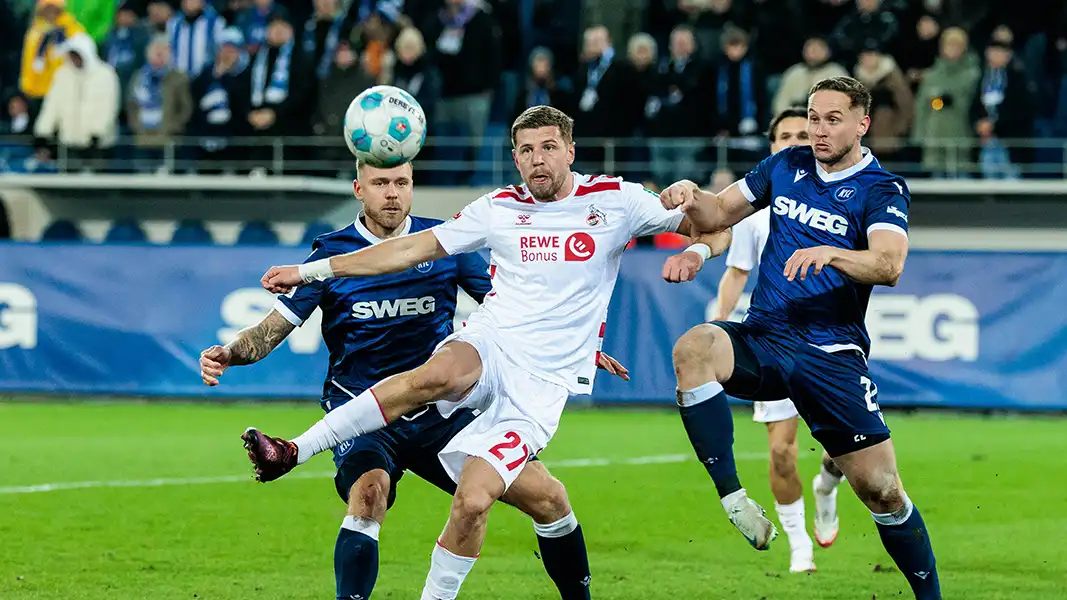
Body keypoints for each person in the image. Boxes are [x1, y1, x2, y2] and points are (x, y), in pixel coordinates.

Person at [246, 105, 730, 599]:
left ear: (570, 151)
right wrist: (311, 272)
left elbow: (718, 223)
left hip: (539, 384)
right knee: (437, 376)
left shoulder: (618, 201)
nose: (537, 159)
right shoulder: (497, 207)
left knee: (482, 502)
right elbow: (406, 250)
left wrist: (695, 235)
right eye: (525, 151)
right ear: (515, 160)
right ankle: (294, 450)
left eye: (548, 147)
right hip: (492, 343)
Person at [203, 159, 621, 600]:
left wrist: (574, 343)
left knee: (549, 498)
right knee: (368, 496)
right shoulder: (332, 254)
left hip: (444, 412)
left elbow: (517, 305)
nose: (392, 193)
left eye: (401, 182)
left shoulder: (443, 243)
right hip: (365, 415)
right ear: (358, 189)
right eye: (380, 183)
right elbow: (274, 329)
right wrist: (230, 353)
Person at [661, 76, 940, 599]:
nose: (819, 129)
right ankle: (735, 500)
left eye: (833, 119)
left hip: (831, 352)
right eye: (814, 118)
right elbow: (717, 214)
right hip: (766, 335)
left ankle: (930, 594)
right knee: (693, 348)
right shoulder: (784, 166)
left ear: (863, 124)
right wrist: (689, 195)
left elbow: (889, 264)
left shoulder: (883, 189)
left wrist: (831, 253)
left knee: (881, 491)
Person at [711, 107, 845, 572]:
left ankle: (827, 486)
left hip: (830, 338)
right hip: (773, 341)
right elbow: (736, 272)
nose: (792, 142)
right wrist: (720, 319)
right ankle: (798, 545)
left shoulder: (837, 198)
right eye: (783, 136)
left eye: (801, 135)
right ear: (771, 147)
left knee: (845, 451)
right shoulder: (755, 212)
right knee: (782, 452)